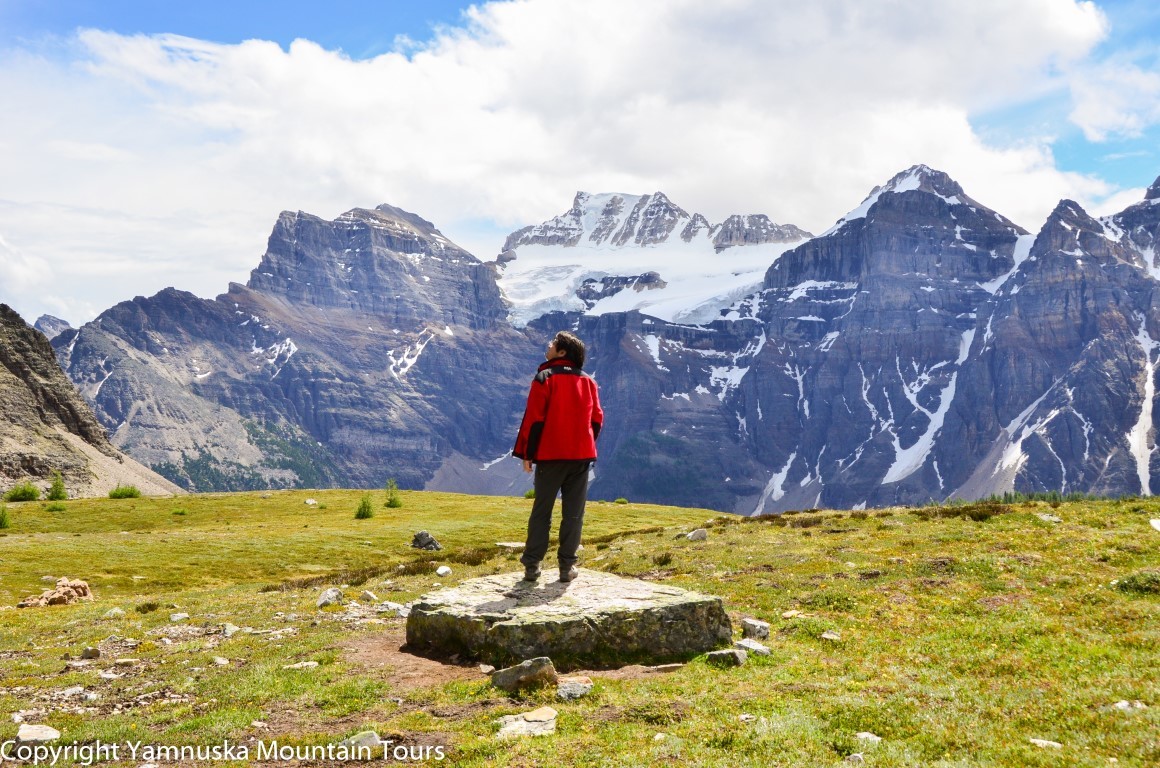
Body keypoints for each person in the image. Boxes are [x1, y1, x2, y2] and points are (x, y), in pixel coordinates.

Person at [512, 330, 604, 583]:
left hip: (551, 455)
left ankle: (532, 566)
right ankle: (566, 567)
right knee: (574, 513)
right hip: (581, 456)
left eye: (553, 343)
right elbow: (596, 419)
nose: (548, 345)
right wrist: (585, 443)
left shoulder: (544, 378)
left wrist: (528, 454)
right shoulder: (588, 381)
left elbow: (534, 419)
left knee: (542, 510)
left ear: (561, 352)